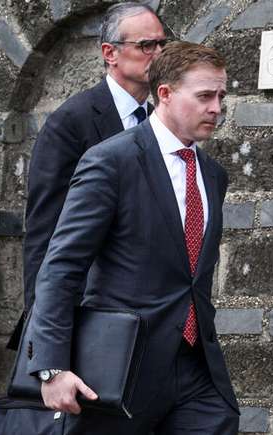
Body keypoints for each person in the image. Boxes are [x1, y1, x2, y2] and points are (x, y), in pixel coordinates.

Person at [25, 41, 239, 434]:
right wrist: (51, 367)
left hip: (195, 369)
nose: (216, 108)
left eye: (221, 96)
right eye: (204, 96)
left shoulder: (213, 175)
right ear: (165, 93)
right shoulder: (112, 161)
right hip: (122, 366)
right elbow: (61, 266)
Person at [17, 2, 167, 346]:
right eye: (146, 45)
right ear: (110, 53)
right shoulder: (71, 123)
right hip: (87, 316)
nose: (158, 54)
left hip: (148, 316)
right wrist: (45, 341)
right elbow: (45, 234)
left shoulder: (160, 123)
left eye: (162, 44)